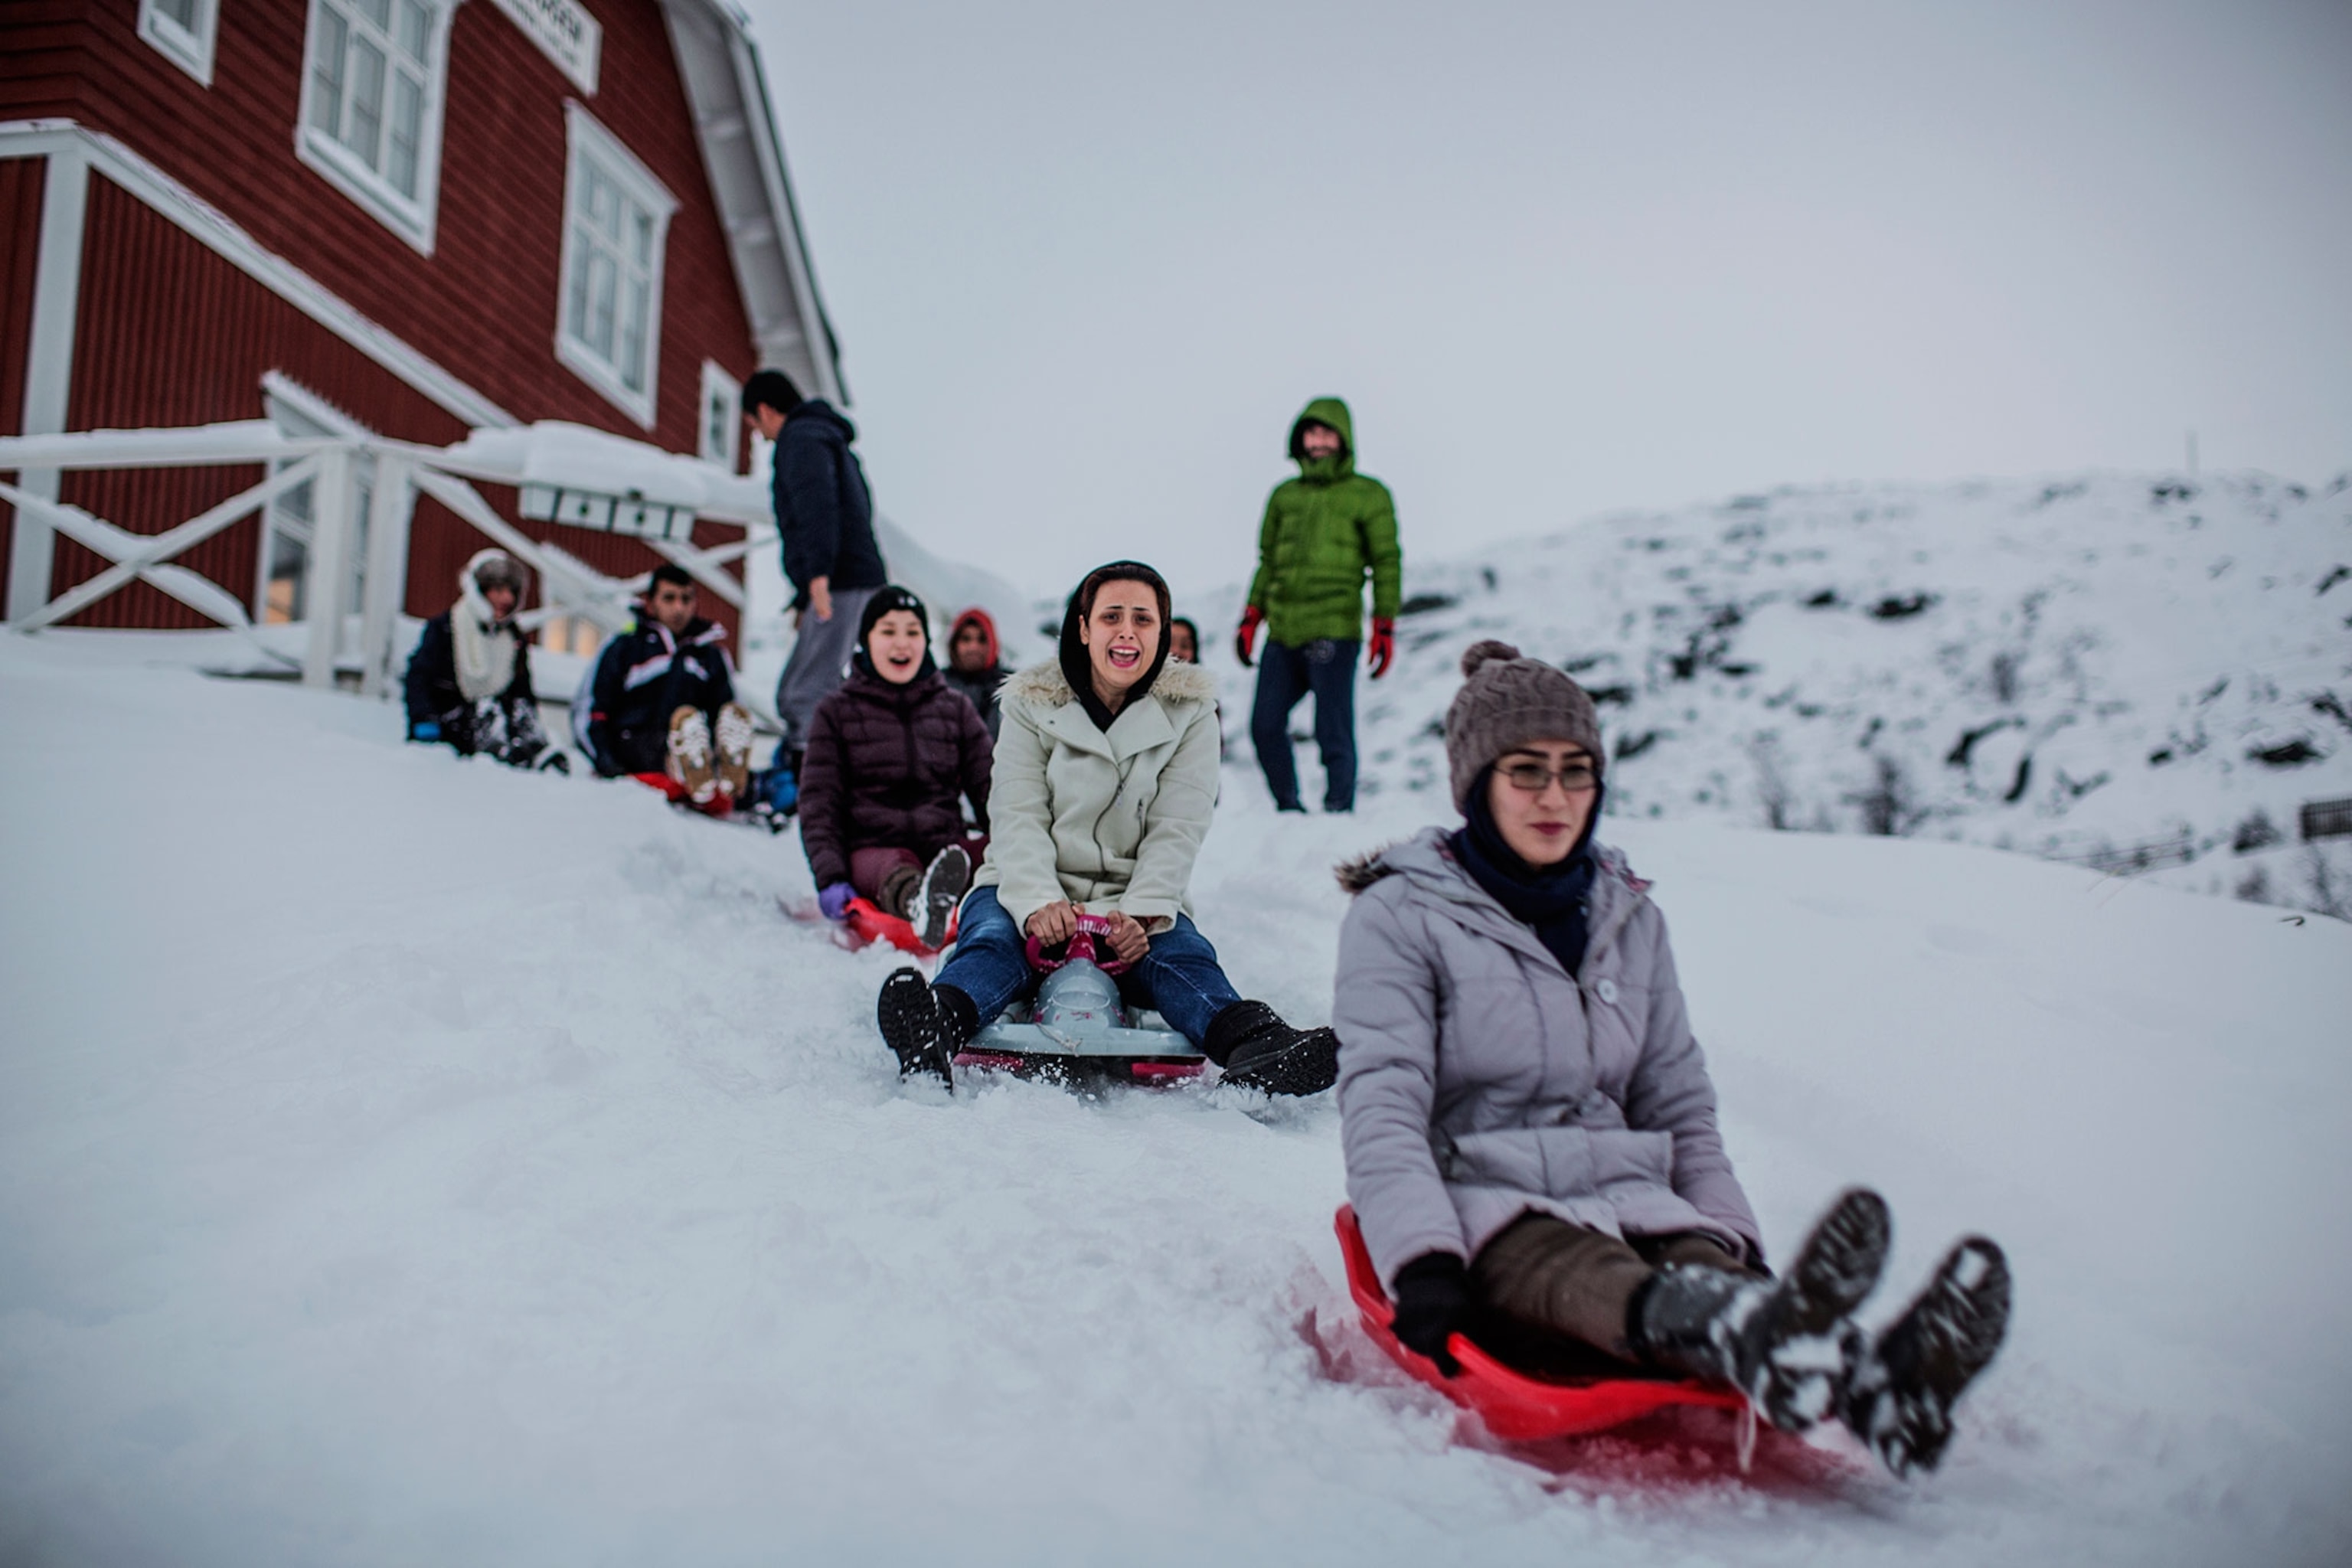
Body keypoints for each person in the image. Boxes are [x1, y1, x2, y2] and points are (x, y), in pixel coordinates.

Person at [1331, 642, 2012, 1478]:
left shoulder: (1629, 918)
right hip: (1483, 1205)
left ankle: (1875, 1381)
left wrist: (1733, 1239)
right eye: (1527, 771)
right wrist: (1421, 1260)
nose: (1556, 796)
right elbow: (1383, 1101)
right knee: (1591, 1270)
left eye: (1576, 770)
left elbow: (1677, 1100)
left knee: (1695, 1260)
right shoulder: (1401, 916)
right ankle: (1751, 1329)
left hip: (1632, 1189)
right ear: (1477, 783)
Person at [874, 560, 1339, 1096]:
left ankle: (1255, 1042)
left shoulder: (1190, 715)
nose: (1126, 631)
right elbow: (1017, 812)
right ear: (1083, 628)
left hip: (1133, 895)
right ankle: (936, 1024)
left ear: (1162, 633)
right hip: (1024, 886)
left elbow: (1178, 827)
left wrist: (1142, 913)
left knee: (1180, 958)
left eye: (1143, 619)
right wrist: (1037, 902)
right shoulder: (1030, 706)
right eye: (1111, 616)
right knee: (992, 943)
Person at [801, 587, 994, 949]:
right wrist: (830, 877)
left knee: (994, 852)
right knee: (896, 864)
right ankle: (920, 901)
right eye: (888, 632)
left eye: (912, 632)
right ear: (866, 640)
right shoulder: (837, 712)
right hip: (873, 851)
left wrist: (1009, 847)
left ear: (926, 640)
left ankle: (958, 893)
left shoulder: (954, 708)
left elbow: (992, 787)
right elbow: (819, 802)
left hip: (944, 846)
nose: (901, 644)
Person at [1235, 397, 1402, 815]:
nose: (1319, 441)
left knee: (1333, 730)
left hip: (1335, 626)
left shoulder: (1369, 494)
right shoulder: (1283, 496)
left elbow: (1386, 561)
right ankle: (1289, 809)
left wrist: (1384, 623)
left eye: (1328, 433)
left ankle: (1338, 812)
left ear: (1344, 439)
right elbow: (1268, 561)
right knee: (1265, 725)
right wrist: (1252, 616)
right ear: (1300, 439)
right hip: (1284, 629)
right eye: (1312, 432)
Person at [743, 368, 888, 795]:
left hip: (841, 581)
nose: (757, 434)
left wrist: (819, 579)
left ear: (767, 410)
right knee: (820, 685)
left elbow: (817, 508)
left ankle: (813, 786)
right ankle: (816, 768)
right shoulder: (828, 438)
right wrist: (804, 593)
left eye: (753, 423)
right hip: (852, 579)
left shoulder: (802, 439)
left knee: (805, 691)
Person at [578, 564, 755, 811]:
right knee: (670, 738)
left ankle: (712, 771)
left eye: (686, 599)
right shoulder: (625, 648)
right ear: (651, 603)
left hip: (691, 747)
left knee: (711, 723)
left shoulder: (711, 657)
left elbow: (726, 712)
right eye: (669, 599)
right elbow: (590, 713)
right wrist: (606, 763)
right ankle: (688, 767)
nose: (679, 608)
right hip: (634, 754)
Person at [403, 549, 558, 769]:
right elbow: (419, 679)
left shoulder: (514, 638)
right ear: (480, 590)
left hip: (499, 727)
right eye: (497, 590)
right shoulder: (447, 628)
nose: (506, 598)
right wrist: (424, 721)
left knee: (514, 709)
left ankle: (538, 755)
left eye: (512, 591)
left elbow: (523, 694)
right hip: (449, 727)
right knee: (489, 709)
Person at [940, 606, 1014, 739]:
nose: (973, 647)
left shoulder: (1011, 688)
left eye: (982, 639)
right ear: (954, 644)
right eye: (966, 639)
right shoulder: (935, 686)